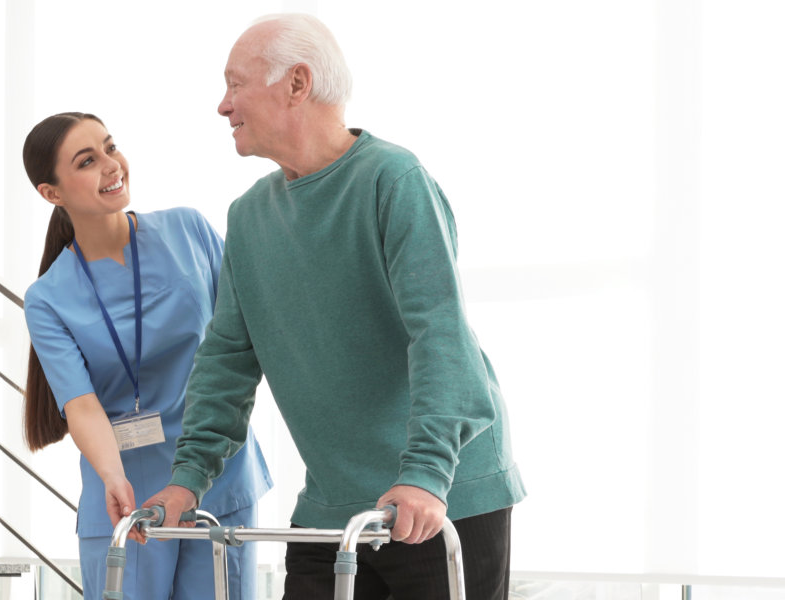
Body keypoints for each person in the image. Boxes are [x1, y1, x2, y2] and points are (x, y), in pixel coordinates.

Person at [138, 14, 526, 600]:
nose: (223, 105)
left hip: (439, 495)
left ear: (297, 83)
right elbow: (227, 360)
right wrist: (187, 480)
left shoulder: (392, 180)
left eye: (236, 84)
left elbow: (440, 337)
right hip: (331, 507)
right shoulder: (248, 218)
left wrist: (424, 475)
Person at [19, 112, 273, 600]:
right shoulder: (47, 298)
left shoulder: (189, 230)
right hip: (126, 491)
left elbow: (248, 335)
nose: (112, 166)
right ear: (52, 193)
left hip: (218, 473)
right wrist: (112, 476)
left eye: (111, 148)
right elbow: (81, 404)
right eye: (88, 161)